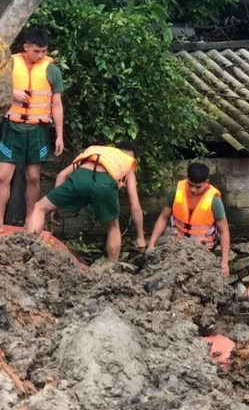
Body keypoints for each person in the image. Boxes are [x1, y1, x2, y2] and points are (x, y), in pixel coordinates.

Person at [26, 142, 144, 261]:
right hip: (104, 185)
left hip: (81, 176)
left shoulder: (97, 151)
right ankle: (111, 269)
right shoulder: (127, 163)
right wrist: (140, 237)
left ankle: (26, 251)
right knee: (113, 227)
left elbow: (61, 175)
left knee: (39, 207)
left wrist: (56, 207)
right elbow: (135, 205)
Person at [0, 29, 65, 228]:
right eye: (36, 51)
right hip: (12, 126)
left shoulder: (52, 70)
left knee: (33, 176)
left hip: (37, 130)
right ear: (25, 47)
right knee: (3, 176)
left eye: (44, 51)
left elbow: (56, 104)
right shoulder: (7, 64)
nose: (41, 55)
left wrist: (59, 136)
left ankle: (30, 221)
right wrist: (12, 93)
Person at [146, 162, 230, 277]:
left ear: (206, 182)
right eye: (190, 185)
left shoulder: (214, 201)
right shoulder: (176, 193)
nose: (193, 190)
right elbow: (163, 217)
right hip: (176, 247)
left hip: (203, 252)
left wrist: (224, 262)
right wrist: (151, 244)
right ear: (186, 179)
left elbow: (224, 231)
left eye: (198, 186)